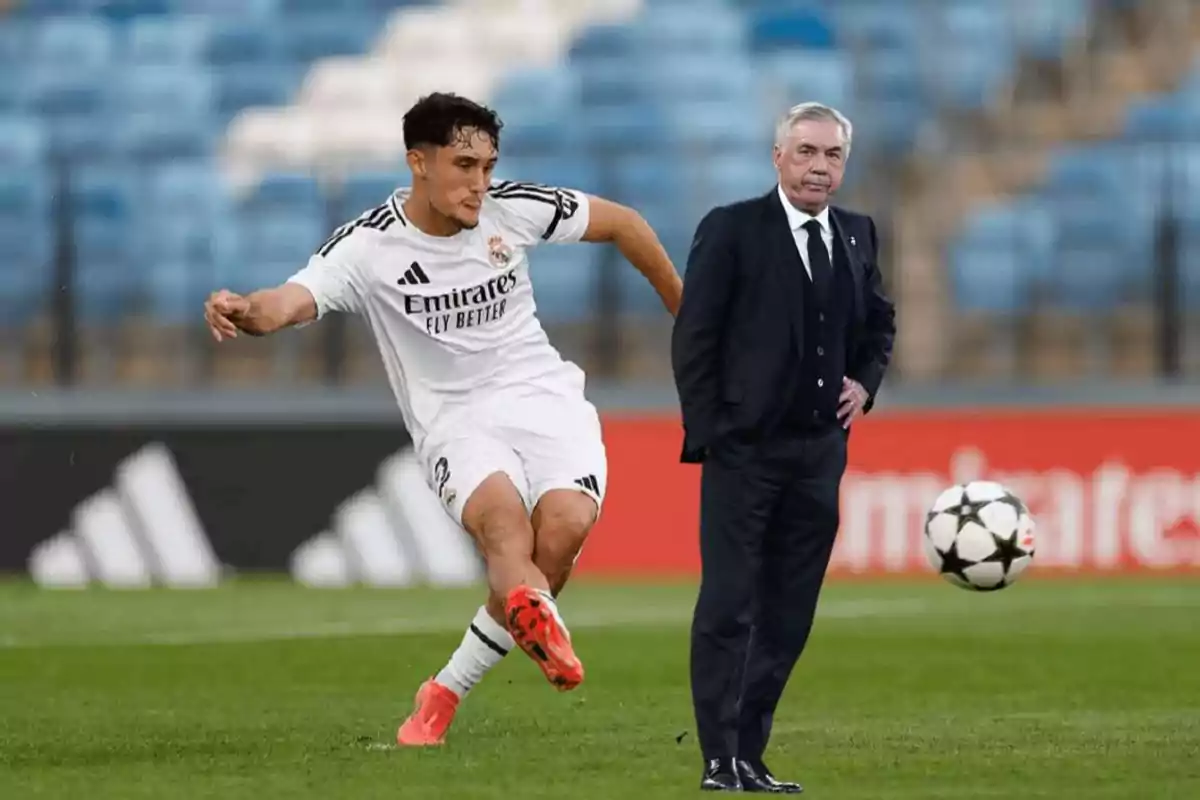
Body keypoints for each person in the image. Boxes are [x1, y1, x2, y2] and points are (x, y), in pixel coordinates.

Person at [204, 92, 682, 746]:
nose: (479, 183)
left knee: (564, 531)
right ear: (418, 163)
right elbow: (288, 302)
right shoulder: (370, 246)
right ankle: (511, 638)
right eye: (464, 165)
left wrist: (688, 314)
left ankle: (446, 689)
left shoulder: (511, 208)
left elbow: (624, 223)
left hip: (541, 394)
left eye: (487, 165)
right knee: (505, 532)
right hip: (457, 419)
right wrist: (244, 309)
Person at [670, 102, 896, 793]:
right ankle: (717, 758)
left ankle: (751, 753)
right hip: (746, 454)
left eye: (831, 155)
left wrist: (865, 382)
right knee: (730, 603)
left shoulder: (858, 234)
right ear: (778, 158)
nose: (819, 167)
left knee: (790, 610)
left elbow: (879, 323)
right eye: (806, 152)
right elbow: (694, 339)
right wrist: (715, 435)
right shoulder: (732, 229)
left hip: (819, 455)